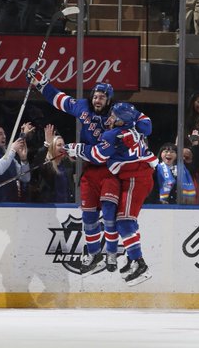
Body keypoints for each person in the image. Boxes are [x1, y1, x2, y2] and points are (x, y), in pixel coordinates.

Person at [26, 68, 152, 276]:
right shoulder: (83, 107)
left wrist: (76, 149)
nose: (97, 99)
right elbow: (60, 99)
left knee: (112, 216)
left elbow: (145, 125)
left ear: (109, 100)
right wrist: (40, 82)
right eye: (95, 95)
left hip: (111, 170)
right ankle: (94, 253)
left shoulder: (119, 117)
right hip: (91, 169)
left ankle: (112, 253)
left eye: (102, 97)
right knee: (89, 216)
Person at [64, 102, 158, 286]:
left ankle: (140, 265)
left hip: (135, 179)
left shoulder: (114, 135)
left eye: (114, 116)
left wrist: (75, 148)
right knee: (124, 220)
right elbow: (145, 121)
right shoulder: (138, 126)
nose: (110, 118)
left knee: (124, 221)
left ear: (122, 122)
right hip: (137, 175)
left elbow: (98, 155)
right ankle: (133, 260)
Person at [0, 124, 31, 202]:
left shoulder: (8, 154)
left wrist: (23, 159)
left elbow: (25, 178)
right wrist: (12, 150)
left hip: (12, 202)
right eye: (0, 134)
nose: (4, 136)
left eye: (4, 134)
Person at [29, 124, 75, 203]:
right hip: (50, 206)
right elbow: (37, 162)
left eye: (64, 145)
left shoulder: (69, 163)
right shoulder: (47, 164)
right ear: (52, 148)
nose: (62, 147)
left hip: (68, 206)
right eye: (59, 145)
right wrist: (47, 144)